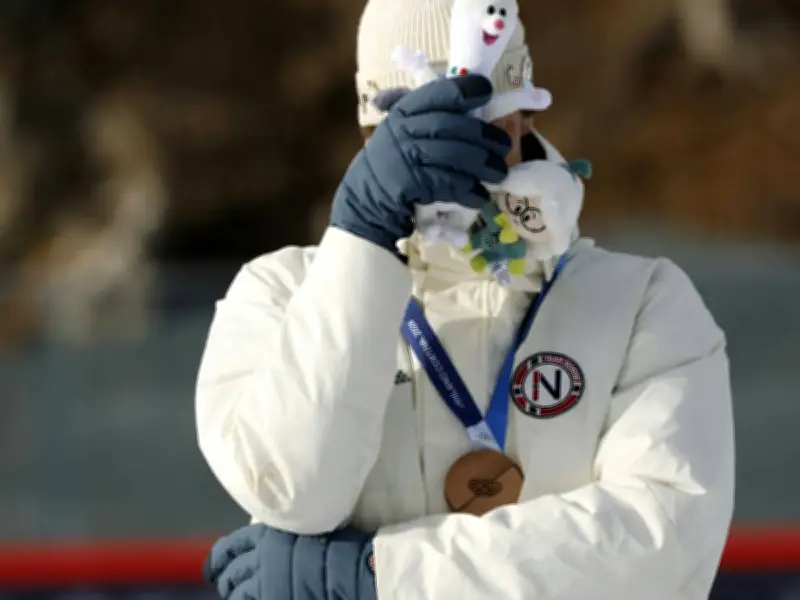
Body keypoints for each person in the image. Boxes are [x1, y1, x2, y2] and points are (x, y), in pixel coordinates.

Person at [196, 0, 735, 599]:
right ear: (369, 135)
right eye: (414, 130)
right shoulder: (280, 293)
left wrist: (379, 578)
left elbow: (659, 545)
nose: (447, 157)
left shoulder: (642, 303)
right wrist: (363, 241)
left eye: (476, 122)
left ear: (524, 117)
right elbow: (294, 490)